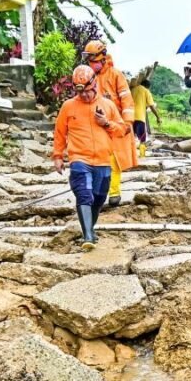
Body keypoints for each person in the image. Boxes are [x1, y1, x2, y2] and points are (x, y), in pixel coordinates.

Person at [51, 65, 127, 251]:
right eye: (80, 92)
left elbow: (122, 130)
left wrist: (106, 123)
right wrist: (58, 156)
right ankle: (88, 237)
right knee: (84, 194)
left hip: (103, 160)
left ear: (95, 85)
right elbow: (60, 133)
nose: (84, 95)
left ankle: (90, 229)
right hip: (79, 159)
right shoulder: (68, 107)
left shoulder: (108, 105)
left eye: (87, 91)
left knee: (99, 197)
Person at [83, 40, 136, 208]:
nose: (92, 64)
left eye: (94, 61)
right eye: (89, 61)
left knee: (114, 159)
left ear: (103, 58)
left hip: (114, 124)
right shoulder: (89, 77)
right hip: (95, 125)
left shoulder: (116, 75)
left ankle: (114, 193)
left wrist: (127, 123)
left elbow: (127, 100)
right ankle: (97, 192)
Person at [130, 78, 161, 158]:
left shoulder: (132, 90)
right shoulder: (146, 91)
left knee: (130, 138)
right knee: (142, 139)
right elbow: (152, 106)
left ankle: (130, 156)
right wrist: (158, 117)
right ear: (148, 86)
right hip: (140, 117)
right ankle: (142, 156)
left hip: (130, 117)